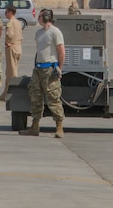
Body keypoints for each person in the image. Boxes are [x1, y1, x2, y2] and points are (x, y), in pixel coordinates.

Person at [19, 9, 65, 138]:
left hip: (50, 69)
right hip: (38, 69)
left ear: (46, 17)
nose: (38, 18)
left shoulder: (55, 32)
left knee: (53, 97)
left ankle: (59, 126)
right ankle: (35, 126)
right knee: (35, 97)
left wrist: (59, 68)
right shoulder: (39, 33)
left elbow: (61, 52)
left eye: (40, 16)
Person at [0, 5, 23, 101]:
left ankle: (15, 94)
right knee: (9, 72)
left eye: (6, 12)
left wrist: (9, 42)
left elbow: (10, 34)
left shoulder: (10, 23)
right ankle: (5, 94)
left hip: (12, 48)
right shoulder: (18, 22)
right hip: (18, 47)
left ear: (10, 12)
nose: (5, 13)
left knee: (12, 73)